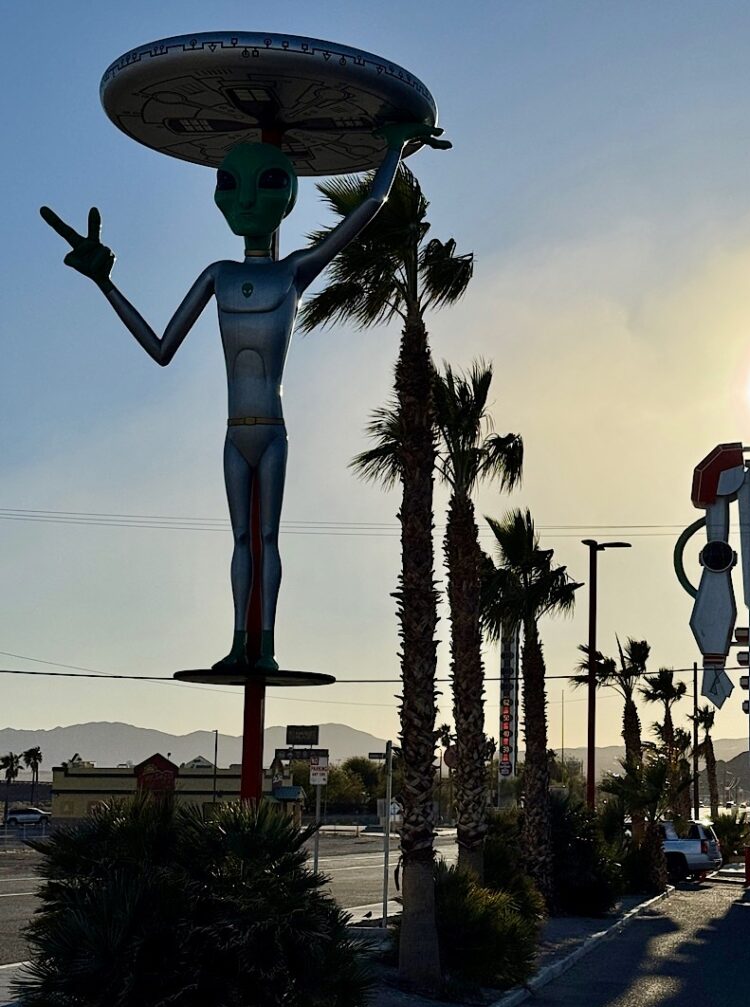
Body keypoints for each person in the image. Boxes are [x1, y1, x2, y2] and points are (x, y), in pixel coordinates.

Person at [41, 122, 448, 672]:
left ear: (288, 198)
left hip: (272, 432)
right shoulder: (219, 275)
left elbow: (369, 208)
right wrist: (105, 284)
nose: (248, 199)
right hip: (235, 434)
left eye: (268, 183)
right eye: (230, 183)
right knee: (240, 540)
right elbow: (161, 348)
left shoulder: (293, 271)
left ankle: (266, 648)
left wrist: (395, 148)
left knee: (267, 538)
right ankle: (239, 645)